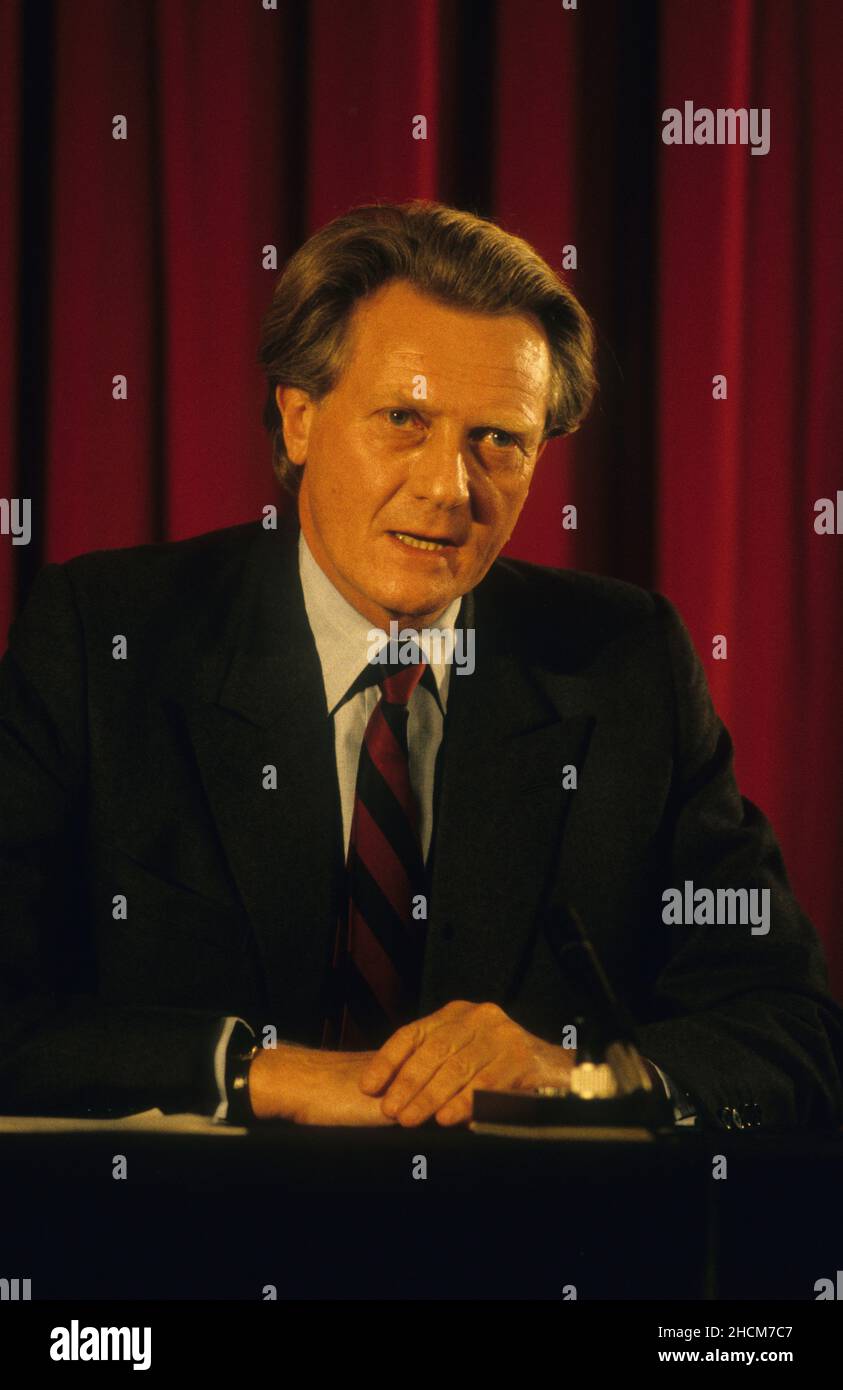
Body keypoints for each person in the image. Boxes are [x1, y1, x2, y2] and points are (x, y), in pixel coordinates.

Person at [1, 201, 840, 1133]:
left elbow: (792, 1027)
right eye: (404, 418)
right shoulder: (103, 641)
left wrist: (573, 1077)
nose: (448, 489)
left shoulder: (624, 662)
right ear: (300, 417)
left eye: (499, 441)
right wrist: (259, 1075)